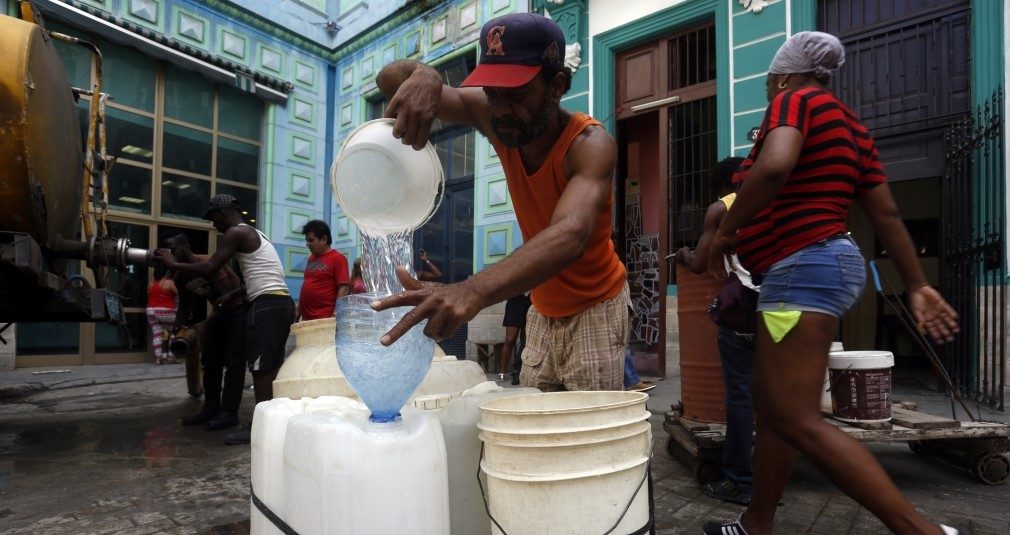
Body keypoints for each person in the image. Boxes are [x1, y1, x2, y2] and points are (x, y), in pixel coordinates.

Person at [702, 32, 961, 535]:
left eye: (767, 84)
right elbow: (884, 211)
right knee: (773, 406)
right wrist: (916, 283)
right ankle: (756, 523)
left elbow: (775, 166)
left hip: (802, 269)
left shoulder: (794, 101)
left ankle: (921, 531)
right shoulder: (853, 128)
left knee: (797, 417)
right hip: (822, 267)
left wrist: (728, 230)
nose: (768, 92)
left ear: (780, 76)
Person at [375, 13, 629, 391]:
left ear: (556, 85)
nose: (500, 109)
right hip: (542, 307)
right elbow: (386, 80)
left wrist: (471, 290)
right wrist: (424, 74)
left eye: (516, 95)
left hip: (596, 305)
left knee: (588, 433)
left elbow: (570, 233)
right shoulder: (492, 113)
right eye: (492, 94)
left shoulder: (590, 145)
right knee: (531, 429)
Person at [155, 194, 295, 446]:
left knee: (261, 368)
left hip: (265, 305)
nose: (213, 225)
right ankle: (273, 423)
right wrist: (231, 295)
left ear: (222, 213)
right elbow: (252, 277)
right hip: (278, 303)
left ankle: (260, 429)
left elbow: (210, 268)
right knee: (270, 367)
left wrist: (173, 263)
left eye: (212, 219)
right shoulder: (254, 233)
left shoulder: (235, 233)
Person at [673, 156, 754, 505]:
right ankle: (770, 476)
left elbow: (699, 263)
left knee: (740, 395)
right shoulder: (770, 198)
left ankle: (740, 480)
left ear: (723, 183)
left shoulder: (722, 208)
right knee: (773, 396)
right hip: (786, 302)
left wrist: (682, 252)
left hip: (746, 306)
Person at [164, 233, 246, 432]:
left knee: (234, 363)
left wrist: (205, 324)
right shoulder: (181, 276)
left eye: (173, 250)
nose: (170, 254)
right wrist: (176, 328)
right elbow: (185, 305)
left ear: (185, 247)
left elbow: (228, 299)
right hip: (219, 315)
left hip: (238, 311)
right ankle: (211, 407)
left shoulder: (209, 263)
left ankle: (229, 413)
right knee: (209, 361)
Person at [297, 220, 350, 321]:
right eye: (307, 240)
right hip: (307, 319)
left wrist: (335, 315)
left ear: (324, 239)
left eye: (311, 240)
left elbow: (344, 289)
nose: (307, 244)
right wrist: (298, 312)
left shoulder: (338, 258)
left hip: (325, 320)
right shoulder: (311, 258)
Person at [496, 292, 532, 384]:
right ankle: (502, 371)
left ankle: (518, 370)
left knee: (526, 340)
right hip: (515, 299)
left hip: (532, 299)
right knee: (510, 339)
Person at [146, 265, 178, 365]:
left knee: (157, 334)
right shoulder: (169, 283)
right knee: (173, 332)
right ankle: (171, 356)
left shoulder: (151, 283)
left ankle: (158, 359)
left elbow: (149, 293)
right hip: (166, 311)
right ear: (166, 273)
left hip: (151, 311)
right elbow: (179, 293)